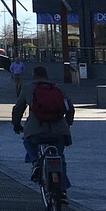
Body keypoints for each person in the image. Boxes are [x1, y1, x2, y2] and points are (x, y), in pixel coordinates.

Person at [12, 64, 74, 196]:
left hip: (36, 131)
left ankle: (36, 163)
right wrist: (68, 124)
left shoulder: (28, 88)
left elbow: (18, 109)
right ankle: (62, 191)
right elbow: (70, 108)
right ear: (47, 76)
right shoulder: (58, 88)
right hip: (59, 131)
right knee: (59, 156)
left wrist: (16, 125)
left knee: (27, 140)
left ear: (34, 76)